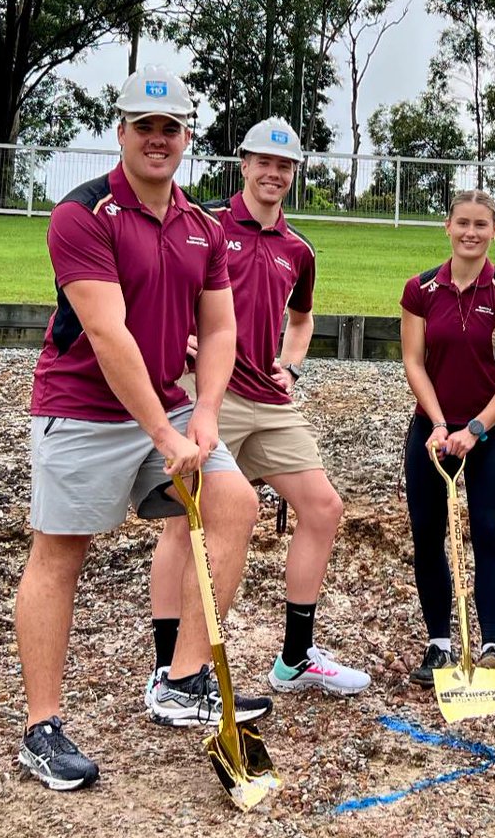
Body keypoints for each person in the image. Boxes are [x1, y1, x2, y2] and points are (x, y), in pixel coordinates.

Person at [15, 65, 269, 792]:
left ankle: (183, 679)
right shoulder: (82, 214)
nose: (158, 140)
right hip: (84, 410)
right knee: (60, 555)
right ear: (121, 132)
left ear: (187, 137)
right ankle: (42, 726)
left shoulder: (202, 226)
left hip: (170, 406)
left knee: (235, 505)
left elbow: (218, 330)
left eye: (171, 128)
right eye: (144, 127)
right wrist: (167, 436)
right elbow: (107, 333)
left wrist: (209, 416)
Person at [145, 116, 368, 713]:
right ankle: (169, 671)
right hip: (205, 395)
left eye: (285, 165)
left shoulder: (298, 248)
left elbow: (302, 320)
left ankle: (295, 659)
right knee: (180, 526)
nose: (273, 174)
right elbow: (159, 286)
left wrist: (292, 366)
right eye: (263, 162)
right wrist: (179, 340)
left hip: (269, 401)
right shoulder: (206, 224)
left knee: (323, 508)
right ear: (242, 164)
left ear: (294, 174)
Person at [399, 189, 495, 685]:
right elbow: (413, 360)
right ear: (448, 226)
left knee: (487, 534)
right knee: (428, 537)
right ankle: (438, 644)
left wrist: (475, 428)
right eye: (462, 223)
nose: (471, 232)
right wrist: (438, 424)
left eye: (481, 224)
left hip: (489, 436)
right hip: (431, 434)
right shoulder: (420, 289)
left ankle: (492, 648)